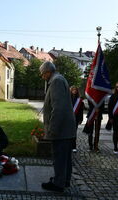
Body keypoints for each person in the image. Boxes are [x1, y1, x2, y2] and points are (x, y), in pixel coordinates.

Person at [39, 61, 76, 192]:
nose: (42, 76)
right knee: (64, 157)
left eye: (43, 74)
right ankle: (63, 180)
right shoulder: (58, 79)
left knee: (59, 156)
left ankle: (58, 184)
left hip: (61, 129)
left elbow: (58, 108)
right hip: (65, 127)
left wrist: (52, 130)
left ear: (48, 72)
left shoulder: (55, 81)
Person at [70, 86, 84, 153]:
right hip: (68, 118)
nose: (74, 91)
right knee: (68, 132)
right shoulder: (67, 99)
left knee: (74, 133)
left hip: (76, 118)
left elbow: (81, 111)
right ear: (71, 90)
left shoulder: (79, 100)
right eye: (73, 89)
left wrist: (81, 119)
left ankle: (73, 146)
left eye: (75, 89)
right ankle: (68, 146)